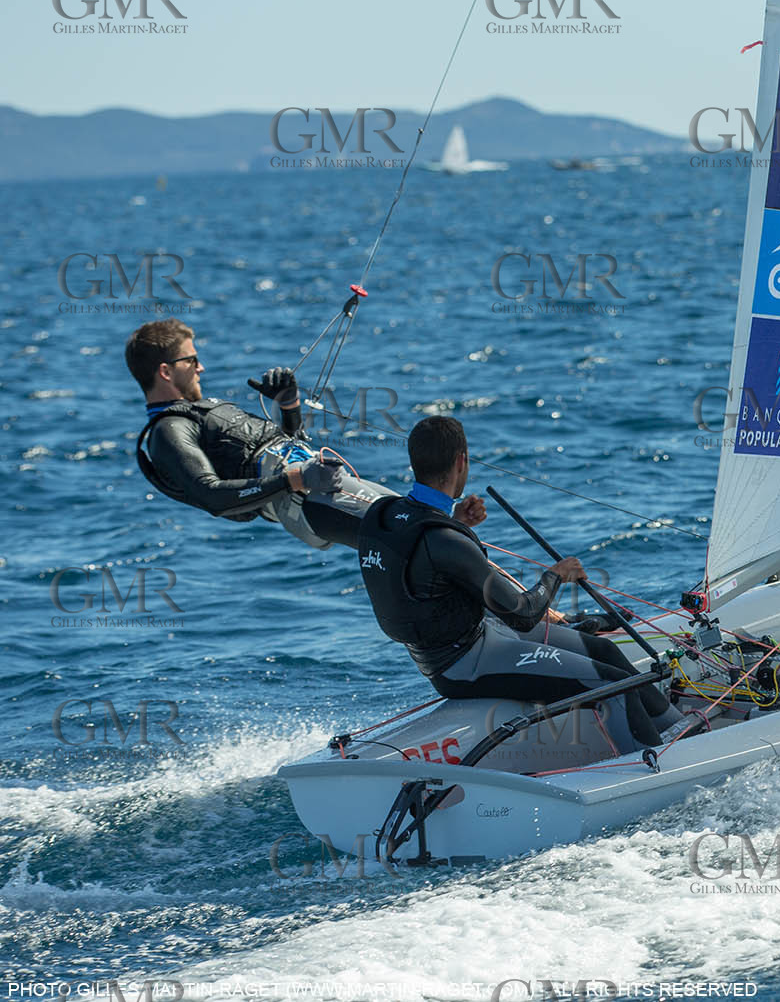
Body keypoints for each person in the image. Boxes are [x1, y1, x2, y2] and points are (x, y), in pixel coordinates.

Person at [357, 415, 693, 749]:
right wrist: (556, 574)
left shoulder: (388, 514)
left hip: (475, 640)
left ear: (415, 462)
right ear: (462, 461)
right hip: (465, 665)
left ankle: (683, 730)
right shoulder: (445, 541)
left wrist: (458, 523)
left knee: (604, 649)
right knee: (611, 686)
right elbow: (522, 614)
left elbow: (420, 564)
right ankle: (655, 766)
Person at [126, 318, 397, 550]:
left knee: (418, 517)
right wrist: (295, 479)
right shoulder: (168, 429)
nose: (201, 368)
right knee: (408, 531)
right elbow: (212, 496)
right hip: (302, 501)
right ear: (165, 371)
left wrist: (288, 404)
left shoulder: (200, 411)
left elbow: (286, 443)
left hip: (314, 480)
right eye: (191, 360)